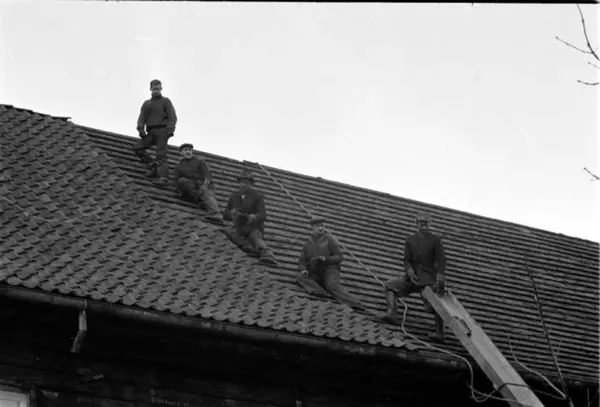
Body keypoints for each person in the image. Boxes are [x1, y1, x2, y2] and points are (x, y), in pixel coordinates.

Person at [384, 212, 447, 341]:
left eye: (426, 223)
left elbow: (441, 261)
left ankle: (439, 333)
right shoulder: (410, 240)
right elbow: (406, 260)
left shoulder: (435, 240)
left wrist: (440, 279)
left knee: (433, 305)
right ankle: (391, 314)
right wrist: (409, 271)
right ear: (416, 224)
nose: (423, 225)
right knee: (390, 286)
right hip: (412, 278)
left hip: (429, 278)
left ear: (429, 224)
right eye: (421, 223)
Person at [296, 216, 368, 312]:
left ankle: (354, 303)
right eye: (318, 226)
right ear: (312, 227)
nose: (321, 228)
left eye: (322, 226)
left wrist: (327, 259)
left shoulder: (329, 240)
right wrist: (303, 269)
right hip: (316, 271)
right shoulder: (308, 244)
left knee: (332, 284)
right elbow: (302, 261)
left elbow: (339, 257)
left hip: (330, 269)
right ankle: (321, 292)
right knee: (301, 277)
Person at [222, 169, 278, 266]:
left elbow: (263, 214)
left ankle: (267, 254)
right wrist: (232, 214)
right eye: (241, 182)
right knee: (228, 231)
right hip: (239, 226)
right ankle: (249, 248)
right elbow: (225, 214)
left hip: (253, 226)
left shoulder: (257, 196)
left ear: (251, 184)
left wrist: (253, 217)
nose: (243, 184)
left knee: (255, 237)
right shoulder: (234, 197)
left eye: (246, 182)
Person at [133, 79, 177, 185]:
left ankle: (163, 177)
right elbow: (142, 117)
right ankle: (152, 166)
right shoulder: (147, 103)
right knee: (138, 147)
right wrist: (141, 129)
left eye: (158, 88)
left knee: (160, 154)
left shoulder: (166, 101)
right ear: (150, 89)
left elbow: (172, 116)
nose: (156, 90)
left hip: (162, 130)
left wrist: (170, 129)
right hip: (151, 131)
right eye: (154, 88)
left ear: (161, 89)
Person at [173, 143, 223, 225]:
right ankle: (199, 200)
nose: (188, 152)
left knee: (207, 195)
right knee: (182, 181)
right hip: (191, 189)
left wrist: (205, 185)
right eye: (185, 150)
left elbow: (208, 175)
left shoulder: (200, 161)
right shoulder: (178, 166)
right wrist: (180, 191)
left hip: (203, 186)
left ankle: (216, 214)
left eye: (190, 150)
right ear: (181, 152)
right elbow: (176, 180)